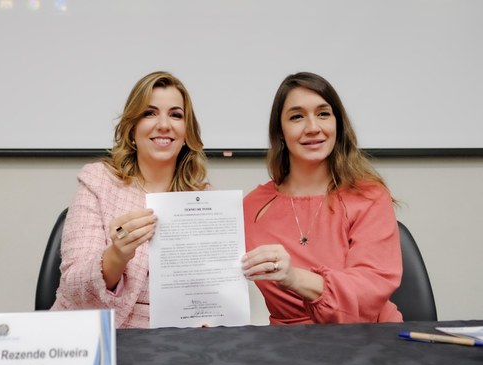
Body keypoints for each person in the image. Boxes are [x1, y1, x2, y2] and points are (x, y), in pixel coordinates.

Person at [241, 72, 403, 324]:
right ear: (280, 132)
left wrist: (294, 278)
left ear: (337, 123)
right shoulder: (251, 207)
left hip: (369, 339)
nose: (313, 127)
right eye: (297, 117)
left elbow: (371, 286)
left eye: (323, 114)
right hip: (287, 350)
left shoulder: (369, 196)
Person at [50, 71, 209, 328]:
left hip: (177, 343)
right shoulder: (98, 181)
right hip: (93, 333)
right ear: (132, 128)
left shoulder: (205, 201)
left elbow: (209, 294)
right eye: (149, 113)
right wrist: (117, 255)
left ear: (187, 133)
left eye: (176, 115)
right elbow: (73, 286)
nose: (164, 124)